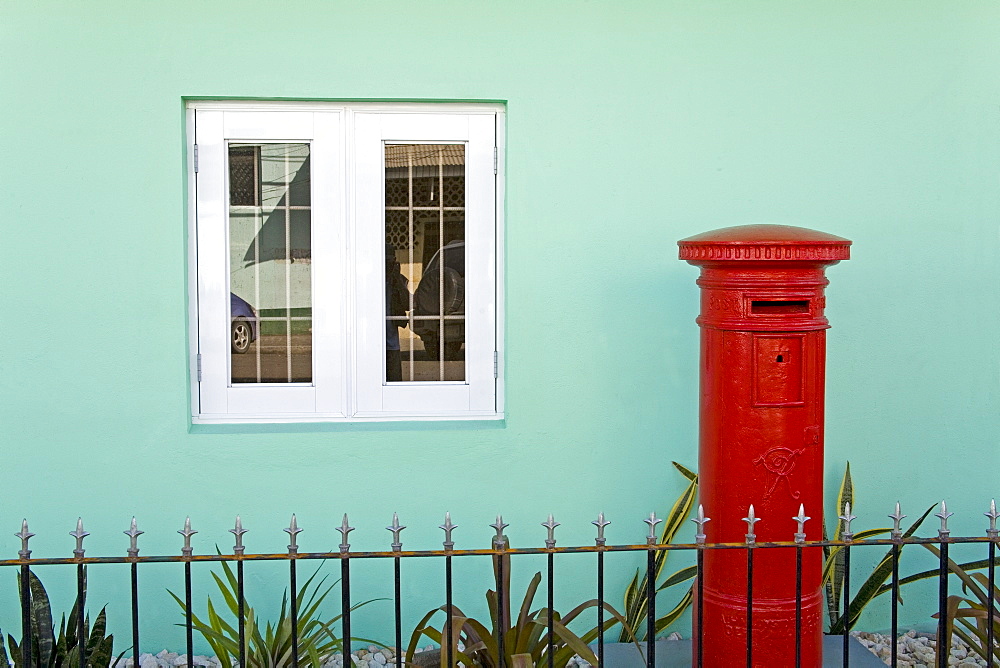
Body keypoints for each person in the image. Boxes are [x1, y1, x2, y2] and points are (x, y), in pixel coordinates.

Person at [385, 243, 410, 382]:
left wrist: (397, 280)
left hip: (392, 342)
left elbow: (407, 303)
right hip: (373, 342)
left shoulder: (399, 280)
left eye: (390, 262)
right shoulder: (370, 280)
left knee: (393, 381)